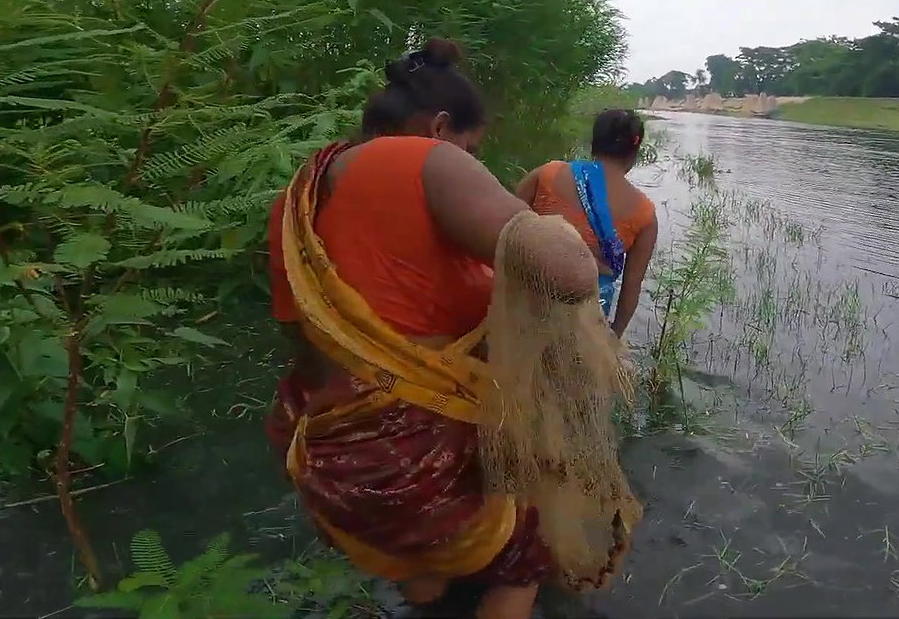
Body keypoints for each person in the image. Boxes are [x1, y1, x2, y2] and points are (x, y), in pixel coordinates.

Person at [263, 39, 628, 619]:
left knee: (425, 566)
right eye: (471, 146)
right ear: (439, 126)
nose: (470, 158)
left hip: (337, 455)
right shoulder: (425, 157)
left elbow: (299, 332)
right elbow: (569, 273)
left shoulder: (296, 199)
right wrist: (554, 235)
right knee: (525, 557)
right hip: (425, 455)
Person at [516, 108, 657, 338]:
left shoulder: (548, 174)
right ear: (634, 153)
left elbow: (506, 224)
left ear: (594, 144)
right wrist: (613, 338)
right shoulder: (645, 213)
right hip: (585, 327)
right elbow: (631, 287)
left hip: (526, 306)